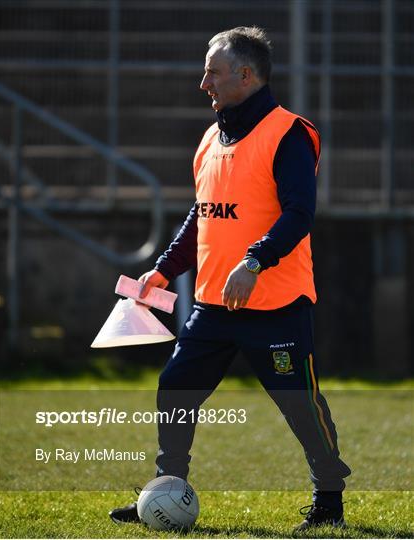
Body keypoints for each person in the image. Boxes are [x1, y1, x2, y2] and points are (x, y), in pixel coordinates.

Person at [110, 26, 351, 531]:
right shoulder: (208, 137)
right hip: (211, 306)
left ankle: (329, 496)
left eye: (213, 72)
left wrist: (255, 261)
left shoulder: (290, 134)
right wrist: (165, 268)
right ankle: (165, 490)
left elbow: (300, 214)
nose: (204, 84)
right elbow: (202, 214)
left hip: (276, 305)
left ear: (246, 75)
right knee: (175, 390)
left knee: (300, 407)